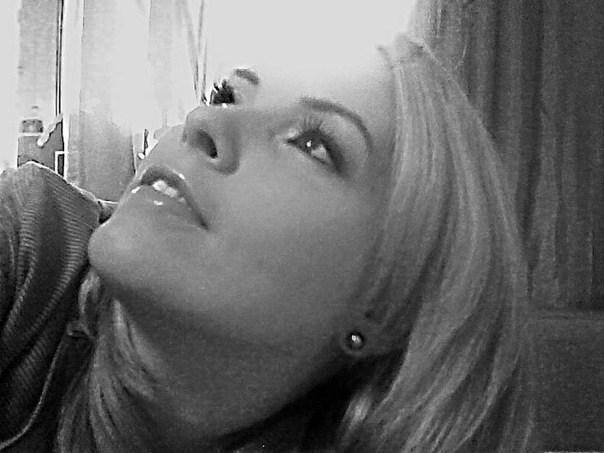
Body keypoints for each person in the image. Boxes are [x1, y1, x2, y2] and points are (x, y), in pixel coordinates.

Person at [0, 27, 539, 453]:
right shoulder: (32, 243)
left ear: (387, 304)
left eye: (312, 143)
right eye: (226, 95)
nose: (204, 120)